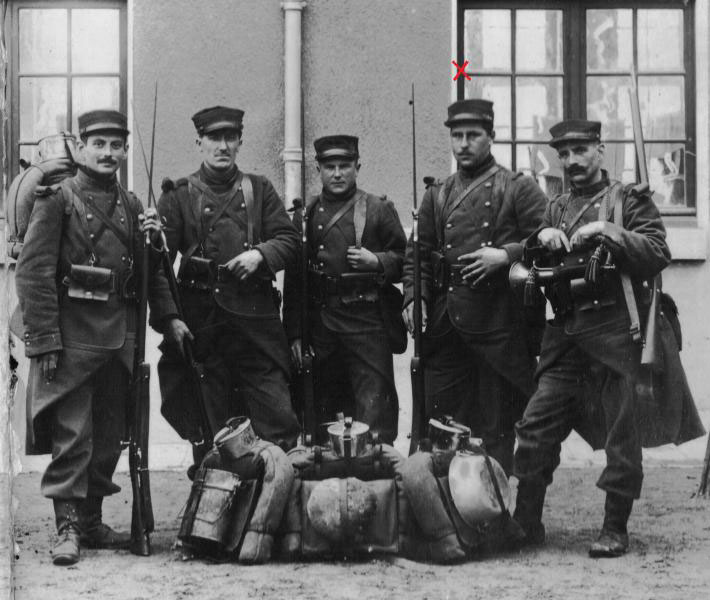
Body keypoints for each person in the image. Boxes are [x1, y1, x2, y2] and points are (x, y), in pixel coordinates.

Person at [15, 109, 187, 566]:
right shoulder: (59, 200)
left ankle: (90, 521)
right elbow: (33, 273)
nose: (108, 153)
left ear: (125, 151)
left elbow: (149, 277)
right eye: (99, 144)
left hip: (119, 342)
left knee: (109, 436)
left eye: (116, 146)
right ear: (81, 147)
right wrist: (44, 340)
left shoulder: (131, 205)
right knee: (73, 436)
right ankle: (68, 528)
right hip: (71, 341)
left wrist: (167, 305)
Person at [511, 119, 671, 557]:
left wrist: (608, 232)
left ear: (600, 150)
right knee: (535, 426)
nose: (571, 161)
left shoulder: (627, 200)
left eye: (580, 150)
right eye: (563, 154)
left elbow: (658, 252)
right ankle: (526, 522)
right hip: (565, 336)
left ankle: (615, 528)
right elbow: (535, 263)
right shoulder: (557, 206)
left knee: (622, 435)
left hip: (616, 334)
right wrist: (540, 238)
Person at [401, 99, 547, 473]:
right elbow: (417, 254)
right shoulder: (438, 193)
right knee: (442, 424)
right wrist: (414, 297)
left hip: (498, 326)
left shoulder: (518, 188)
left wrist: (505, 255)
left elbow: (547, 242)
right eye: (457, 136)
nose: (464, 144)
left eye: (473, 135)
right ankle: (444, 504)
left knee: (497, 427)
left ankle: (494, 502)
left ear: (491, 137)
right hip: (446, 327)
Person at [157, 105, 300, 462]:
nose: (222, 146)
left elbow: (289, 239)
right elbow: (158, 265)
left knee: (278, 421)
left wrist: (261, 255)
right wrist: (170, 318)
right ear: (199, 142)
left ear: (239, 142)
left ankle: (273, 493)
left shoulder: (259, 189)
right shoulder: (177, 195)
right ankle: (215, 493)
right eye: (214, 138)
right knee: (212, 432)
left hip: (256, 329)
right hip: (204, 328)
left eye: (230, 138)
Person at [283, 135, 406, 444]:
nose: (337, 174)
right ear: (319, 170)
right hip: (322, 327)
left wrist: (377, 261)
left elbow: (406, 261)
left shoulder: (378, 209)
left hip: (367, 324)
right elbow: (295, 280)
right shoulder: (305, 215)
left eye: (344, 166)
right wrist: (295, 333)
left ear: (357, 167)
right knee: (324, 407)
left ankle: (375, 463)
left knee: (373, 407)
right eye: (330, 167)